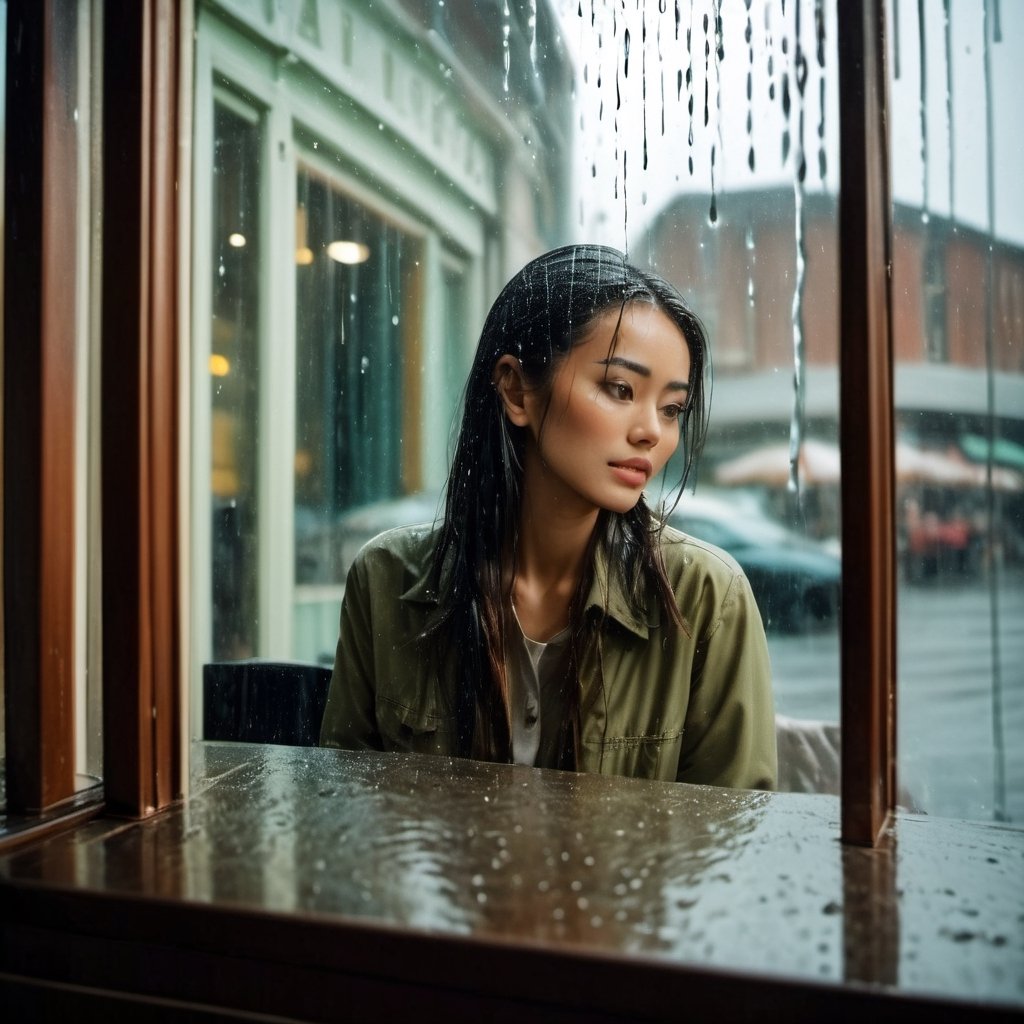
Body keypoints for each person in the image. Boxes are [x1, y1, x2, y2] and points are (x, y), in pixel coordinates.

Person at [320, 244, 776, 789]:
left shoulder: (705, 597)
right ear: (516, 389)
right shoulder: (386, 581)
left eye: (672, 408)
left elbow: (730, 849)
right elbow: (346, 813)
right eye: (620, 389)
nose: (652, 431)